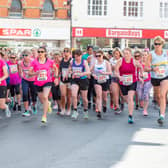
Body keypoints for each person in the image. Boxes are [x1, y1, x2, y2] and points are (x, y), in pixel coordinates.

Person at [115, 48, 143, 124]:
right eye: (124, 53)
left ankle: (130, 116)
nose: (126, 55)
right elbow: (116, 71)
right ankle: (131, 105)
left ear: (130, 54)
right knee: (125, 99)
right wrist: (119, 76)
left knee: (130, 98)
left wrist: (141, 74)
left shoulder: (134, 61)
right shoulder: (120, 61)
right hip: (123, 82)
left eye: (127, 53)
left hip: (132, 81)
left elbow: (140, 67)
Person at [29, 47, 56, 123]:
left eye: (42, 52)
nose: (40, 53)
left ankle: (44, 116)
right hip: (38, 83)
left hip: (47, 81)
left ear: (45, 53)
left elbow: (55, 68)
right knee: (42, 100)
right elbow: (29, 73)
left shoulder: (49, 61)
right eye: (39, 52)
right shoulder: (34, 62)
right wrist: (35, 73)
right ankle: (48, 104)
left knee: (45, 96)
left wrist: (56, 77)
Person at [145, 36, 168, 125]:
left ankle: (162, 115)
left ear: (162, 44)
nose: (157, 45)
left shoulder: (166, 53)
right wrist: (152, 69)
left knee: (162, 95)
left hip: (165, 76)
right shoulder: (151, 54)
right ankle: (161, 108)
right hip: (155, 77)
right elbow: (146, 68)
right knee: (158, 96)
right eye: (155, 44)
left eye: (159, 44)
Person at [69, 49, 90, 120]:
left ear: (81, 56)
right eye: (75, 56)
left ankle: (86, 110)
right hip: (75, 80)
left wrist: (81, 74)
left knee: (84, 98)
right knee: (74, 95)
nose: (77, 58)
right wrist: (71, 73)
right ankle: (75, 111)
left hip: (83, 80)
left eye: (78, 56)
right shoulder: (72, 61)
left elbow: (88, 72)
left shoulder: (84, 62)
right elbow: (70, 69)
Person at [90, 50, 111, 119]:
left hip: (105, 80)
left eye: (99, 56)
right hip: (97, 80)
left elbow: (110, 72)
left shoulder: (106, 62)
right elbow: (90, 71)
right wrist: (93, 75)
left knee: (104, 97)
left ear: (102, 56)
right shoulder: (95, 63)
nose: (98, 57)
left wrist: (104, 73)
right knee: (99, 96)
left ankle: (104, 105)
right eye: (96, 56)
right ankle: (99, 111)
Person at [18, 50, 37, 117]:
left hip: (33, 80)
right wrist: (22, 76)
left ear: (29, 56)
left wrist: (31, 74)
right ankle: (26, 110)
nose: (24, 57)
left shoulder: (33, 62)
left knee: (33, 94)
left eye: (26, 55)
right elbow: (20, 71)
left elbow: (36, 71)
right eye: (23, 55)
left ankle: (34, 105)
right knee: (25, 94)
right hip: (25, 80)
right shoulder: (20, 63)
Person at [136, 50, 152, 116]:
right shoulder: (138, 63)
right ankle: (141, 102)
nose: (144, 56)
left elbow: (152, 72)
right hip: (139, 81)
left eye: (145, 55)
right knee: (140, 96)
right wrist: (140, 78)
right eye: (143, 55)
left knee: (146, 95)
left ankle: (145, 110)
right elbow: (135, 73)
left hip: (148, 81)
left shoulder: (150, 63)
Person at [110, 47, 123, 114]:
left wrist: (115, 67)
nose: (116, 55)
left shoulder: (122, 60)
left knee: (122, 94)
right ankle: (117, 107)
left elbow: (119, 68)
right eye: (114, 53)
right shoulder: (111, 60)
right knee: (115, 93)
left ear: (120, 54)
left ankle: (122, 103)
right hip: (114, 77)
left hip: (121, 77)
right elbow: (111, 68)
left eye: (117, 54)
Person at [59, 48, 72, 116]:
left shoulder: (72, 60)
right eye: (64, 51)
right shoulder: (61, 61)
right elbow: (59, 70)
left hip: (70, 80)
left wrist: (70, 72)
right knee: (63, 95)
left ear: (70, 53)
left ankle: (68, 109)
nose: (65, 53)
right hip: (62, 80)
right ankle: (63, 108)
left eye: (67, 51)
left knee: (69, 96)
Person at [0, 52, 11, 117]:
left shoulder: (2, 63)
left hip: (1, 85)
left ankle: (6, 107)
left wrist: (0, 79)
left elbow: (6, 74)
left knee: (2, 105)